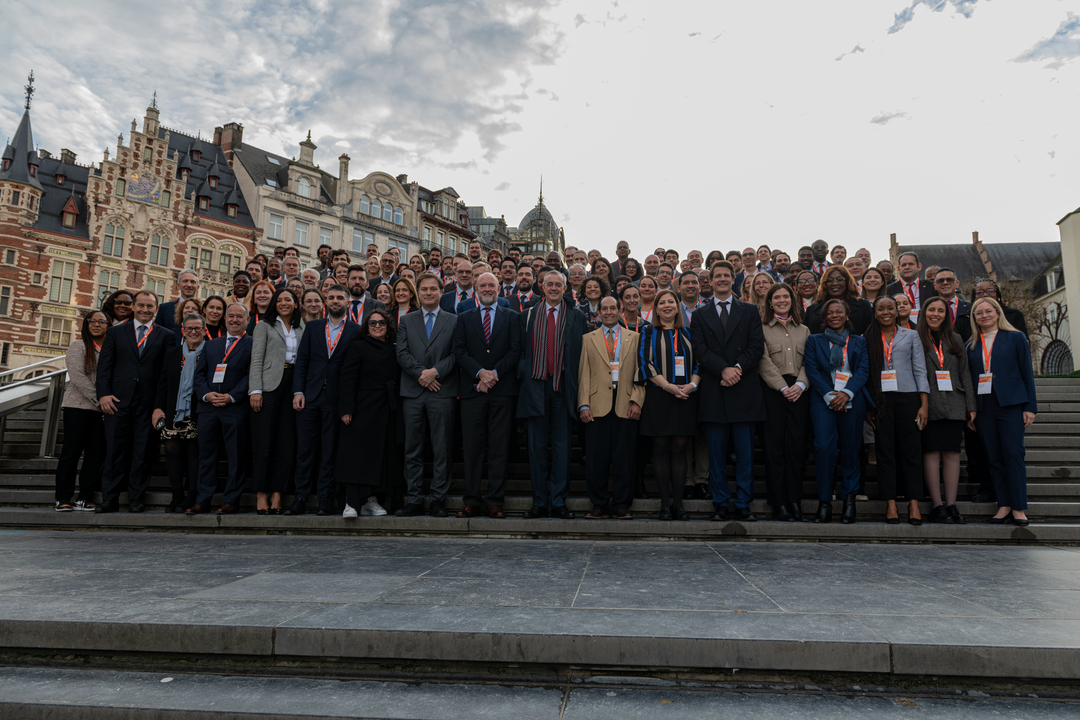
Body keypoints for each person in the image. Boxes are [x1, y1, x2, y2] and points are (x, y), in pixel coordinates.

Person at [691, 261, 766, 522]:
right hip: (714, 388)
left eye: (727, 275)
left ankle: (744, 502)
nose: (722, 279)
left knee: (745, 453)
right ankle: (720, 502)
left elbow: (757, 347)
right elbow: (699, 350)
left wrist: (736, 369)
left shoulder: (750, 310)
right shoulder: (700, 314)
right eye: (717, 276)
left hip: (743, 388)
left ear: (733, 280)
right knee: (716, 452)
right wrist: (723, 369)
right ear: (709, 281)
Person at [96, 290, 177, 513]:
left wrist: (159, 406)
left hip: (148, 404)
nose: (145, 310)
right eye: (141, 305)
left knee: (142, 453)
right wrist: (103, 394)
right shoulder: (115, 332)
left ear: (156, 309)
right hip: (117, 401)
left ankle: (136, 498)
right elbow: (104, 367)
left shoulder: (166, 335)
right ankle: (109, 498)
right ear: (133, 307)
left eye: (150, 306)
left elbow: (165, 374)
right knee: (114, 452)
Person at [451, 272, 522, 519]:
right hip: (472, 392)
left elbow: (515, 351)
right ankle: (471, 500)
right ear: (476, 289)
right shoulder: (464, 317)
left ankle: (494, 501)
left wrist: (493, 375)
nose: (488, 288)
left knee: (499, 448)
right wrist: (480, 373)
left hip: (502, 392)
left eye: (492, 284)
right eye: (483, 285)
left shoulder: (513, 317)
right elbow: (459, 351)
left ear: (499, 288)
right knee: (472, 449)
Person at [518, 269, 585, 519]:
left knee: (562, 448)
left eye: (559, 284)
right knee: (536, 448)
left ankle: (558, 502)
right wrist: (525, 375)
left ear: (565, 289)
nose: (554, 288)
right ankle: (538, 502)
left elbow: (580, 355)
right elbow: (520, 353)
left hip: (563, 389)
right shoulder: (528, 316)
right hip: (535, 388)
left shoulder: (576, 317)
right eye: (550, 284)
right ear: (541, 287)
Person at [288, 285, 361, 516]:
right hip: (310, 396)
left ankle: (325, 500)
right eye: (331, 297)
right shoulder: (313, 327)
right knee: (304, 450)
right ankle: (300, 497)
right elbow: (302, 361)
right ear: (325, 302)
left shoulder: (356, 330)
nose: (335, 301)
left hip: (336, 399)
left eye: (340, 297)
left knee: (329, 452)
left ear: (348, 302)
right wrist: (298, 391)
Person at [967, 297, 1037, 526]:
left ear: (998, 313)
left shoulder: (1015, 337)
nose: (984, 315)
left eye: (988, 311)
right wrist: (972, 409)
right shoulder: (972, 345)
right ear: (974, 318)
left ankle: (1018, 508)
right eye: (979, 313)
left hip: (1011, 404)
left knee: (1013, 455)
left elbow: (1027, 373)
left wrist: (1030, 407)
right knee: (994, 458)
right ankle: (1003, 505)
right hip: (984, 407)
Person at [575, 296, 645, 520]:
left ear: (619, 310)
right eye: (604, 309)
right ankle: (599, 504)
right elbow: (583, 373)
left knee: (624, 458)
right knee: (596, 458)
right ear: (599, 313)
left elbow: (640, 373)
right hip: (596, 406)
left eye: (612, 308)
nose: (608, 312)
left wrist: (637, 400)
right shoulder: (588, 339)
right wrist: (583, 404)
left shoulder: (635, 337)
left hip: (626, 404)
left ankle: (622, 504)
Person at [396, 273, 459, 517]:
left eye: (434, 289)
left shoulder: (454, 321)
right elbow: (401, 353)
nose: (429, 293)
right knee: (412, 448)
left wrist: (434, 372)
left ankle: (437, 500)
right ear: (418, 293)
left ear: (442, 292)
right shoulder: (406, 321)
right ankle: (413, 499)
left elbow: (456, 354)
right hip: (413, 392)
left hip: (442, 391)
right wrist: (421, 375)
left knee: (442, 447)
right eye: (424, 289)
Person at [804, 299, 871, 523]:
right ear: (824, 317)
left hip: (852, 400)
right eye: (830, 312)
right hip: (824, 400)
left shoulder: (859, 341)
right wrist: (830, 395)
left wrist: (847, 393)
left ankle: (849, 501)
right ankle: (825, 503)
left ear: (846, 315)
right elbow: (811, 369)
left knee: (851, 449)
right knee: (824, 448)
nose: (835, 315)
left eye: (839, 312)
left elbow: (863, 370)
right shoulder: (814, 340)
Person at [866, 295, 929, 525]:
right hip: (880, 400)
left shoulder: (911, 335)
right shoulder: (868, 337)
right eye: (880, 308)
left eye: (890, 308)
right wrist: (868, 406)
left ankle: (914, 501)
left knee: (911, 451)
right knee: (885, 451)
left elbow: (920, 370)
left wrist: (924, 404)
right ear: (875, 312)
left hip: (908, 397)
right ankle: (890, 502)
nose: (885, 312)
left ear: (897, 311)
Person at [335, 307, 404, 517]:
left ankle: (372, 501)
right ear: (366, 327)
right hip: (362, 406)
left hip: (387, 407)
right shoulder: (357, 347)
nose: (377, 326)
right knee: (356, 455)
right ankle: (352, 503)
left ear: (388, 326)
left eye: (381, 323)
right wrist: (347, 408)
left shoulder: (394, 349)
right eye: (372, 323)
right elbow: (347, 380)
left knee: (381, 456)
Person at [185, 304, 253, 515]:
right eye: (231, 316)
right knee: (207, 456)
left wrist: (232, 396)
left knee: (235, 456)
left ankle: (231, 500)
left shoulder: (254, 344)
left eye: (239, 316)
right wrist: (206, 395)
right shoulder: (211, 344)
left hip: (235, 408)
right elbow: (199, 374)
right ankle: (203, 499)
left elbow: (252, 374)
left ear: (247, 320)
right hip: (208, 408)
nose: (235, 320)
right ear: (224, 319)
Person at [637, 290, 698, 520]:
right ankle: (664, 505)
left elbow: (699, 364)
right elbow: (645, 363)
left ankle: (679, 505)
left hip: (686, 396)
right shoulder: (649, 331)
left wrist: (691, 386)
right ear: (656, 308)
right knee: (661, 449)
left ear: (678, 306)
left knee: (680, 450)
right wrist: (669, 387)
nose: (667, 305)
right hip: (659, 396)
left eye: (671, 301)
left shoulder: (689, 333)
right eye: (662, 302)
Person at [918, 297, 976, 524]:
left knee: (952, 454)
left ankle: (951, 504)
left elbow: (966, 374)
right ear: (924, 313)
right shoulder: (917, 338)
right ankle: (937, 505)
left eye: (940, 310)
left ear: (946, 314)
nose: (936, 314)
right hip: (928, 404)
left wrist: (971, 406)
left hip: (954, 403)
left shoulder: (957, 339)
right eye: (931, 310)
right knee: (931, 453)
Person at [758, 284, 811, 521]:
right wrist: (782, 386)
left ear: (792, 301)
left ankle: (794, 501)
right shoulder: (761, 330)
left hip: (800, 392)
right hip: (774, 392)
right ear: (770, 303)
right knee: (774, 449)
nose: (781, 300)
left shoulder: (805, 330)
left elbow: (810, 361)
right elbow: (763, 361)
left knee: (796, 449)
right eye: (776, 297)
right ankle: (778, 502)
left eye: (785, 297)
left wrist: (800, 385)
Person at [249, 288, 303, 515]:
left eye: (288, 299)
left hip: (293, 386)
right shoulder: (264, 325)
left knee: (286, 444)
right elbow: (257, 358)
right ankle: (261, 493)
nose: (283, 303)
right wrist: (255, 390)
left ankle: (278, 494)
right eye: (279, 300)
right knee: (263, 444)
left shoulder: (303, 327)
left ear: (295, 303)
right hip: (269, 386)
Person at [55, 310, 109, 512]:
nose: (96, 324)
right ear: (86, 324)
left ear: (108, 325)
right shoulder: (78, 346)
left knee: (95, 454)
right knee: (71, 453)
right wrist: (100, 399)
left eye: (101, 321)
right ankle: (63, 498)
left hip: (101, 410)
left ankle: (85, 497)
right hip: (77, 406)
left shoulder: (111, 348)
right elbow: (77, 376)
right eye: (92, 321)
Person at [152, 311, 205, 513]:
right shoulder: (172, 353)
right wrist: (158, 407)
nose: (193, 331)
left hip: (199, 410)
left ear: (204, 330)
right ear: (182, 331)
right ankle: (176, 494)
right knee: (172, 450)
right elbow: (162, 382)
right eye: (189, 328)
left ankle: (192, 494)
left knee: (194, 453)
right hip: (174, 410)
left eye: (197, 328)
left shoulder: (210, 351)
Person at [803, 265, 874, 336]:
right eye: (830, 280)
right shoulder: (812, 309)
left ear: (847, 282)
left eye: (840, 279)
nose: (835, 283)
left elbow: (870, 334)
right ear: (825, 284)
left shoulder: (863, 306)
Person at [886, 251, 937, 323]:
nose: (907, 267)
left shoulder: (932, 287)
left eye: (910, 264)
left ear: (919, 266)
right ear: (898, 268)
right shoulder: (889, 290)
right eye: (903, 265)